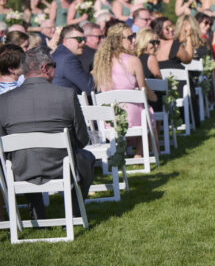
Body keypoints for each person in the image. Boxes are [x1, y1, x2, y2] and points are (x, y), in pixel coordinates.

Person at [0, 46, 95, 219]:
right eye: (54, 65)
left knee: (27, 156)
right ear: (44, 68)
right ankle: (73, 213)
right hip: (60, 167)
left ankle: (37, 212)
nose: (55, 69)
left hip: (19, 169)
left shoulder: (3, 100)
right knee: (86, 157)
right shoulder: (66, 94)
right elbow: (82, 139)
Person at [93, 23, 157, 157]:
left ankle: (123, 151)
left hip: (108, 116)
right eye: (130, 37)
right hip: (131, 116)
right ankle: (139, 154)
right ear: (118, 41)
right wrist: (154, 97)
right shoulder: (133, 60)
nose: (134, 40)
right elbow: (143, 89)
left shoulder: (101, 62)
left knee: (139, 108)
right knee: (147, 110)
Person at [51, 24, 95, 94]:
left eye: (84, 39)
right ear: (65, 41)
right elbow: (90, 88)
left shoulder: (56, 54)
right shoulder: (68, 59)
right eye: (79, 39)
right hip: (67, 103)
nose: (83, 42)